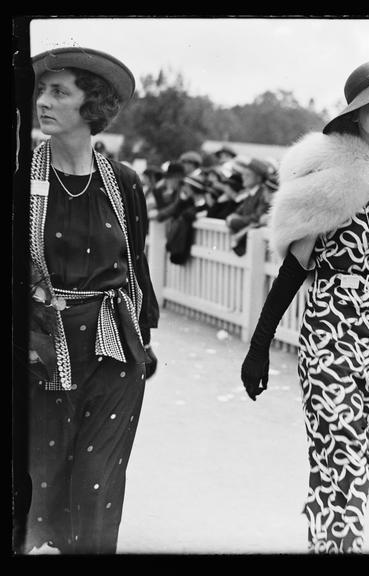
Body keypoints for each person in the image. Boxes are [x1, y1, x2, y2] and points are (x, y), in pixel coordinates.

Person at [240, 46, 369, 553]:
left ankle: (325, 540)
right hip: (329, 328)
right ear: (355, 115)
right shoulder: (329, 178)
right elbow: (295, 268)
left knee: (352, 450)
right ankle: (346, 546)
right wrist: (259, 343)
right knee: (339, 448)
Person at [25, 46, 159, 554]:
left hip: (113, 349)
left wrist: (142, 340)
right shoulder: (22, 178)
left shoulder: (123, 182)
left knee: (98, 483)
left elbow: (136, 266)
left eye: (60, 91)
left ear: (91, 104)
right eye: (42, 89)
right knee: (41, 480)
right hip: (40, 350)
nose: (44, 101)